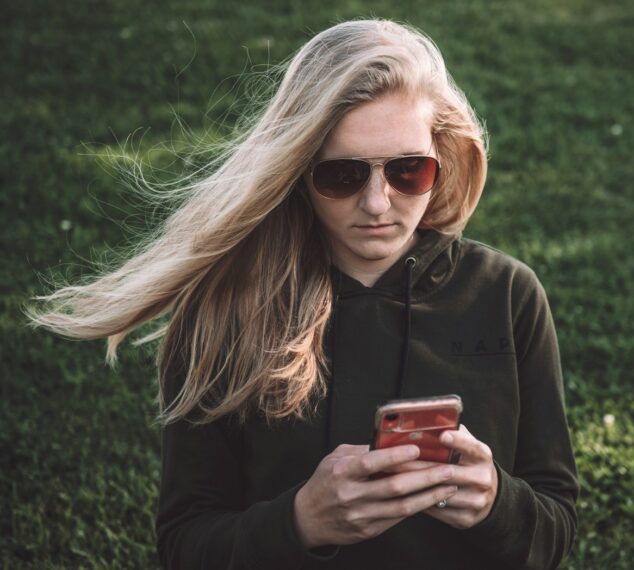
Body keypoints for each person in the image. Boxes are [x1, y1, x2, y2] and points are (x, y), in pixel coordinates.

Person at [26, 18, 577, 569]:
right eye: (342, 175)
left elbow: (556, 529)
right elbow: (185, 546)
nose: (379, 204)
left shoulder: (508, 295)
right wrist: (302, 523)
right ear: (295, 173)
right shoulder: (223, 310)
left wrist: (497, 505)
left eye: (408, 170)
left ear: (444, 157)